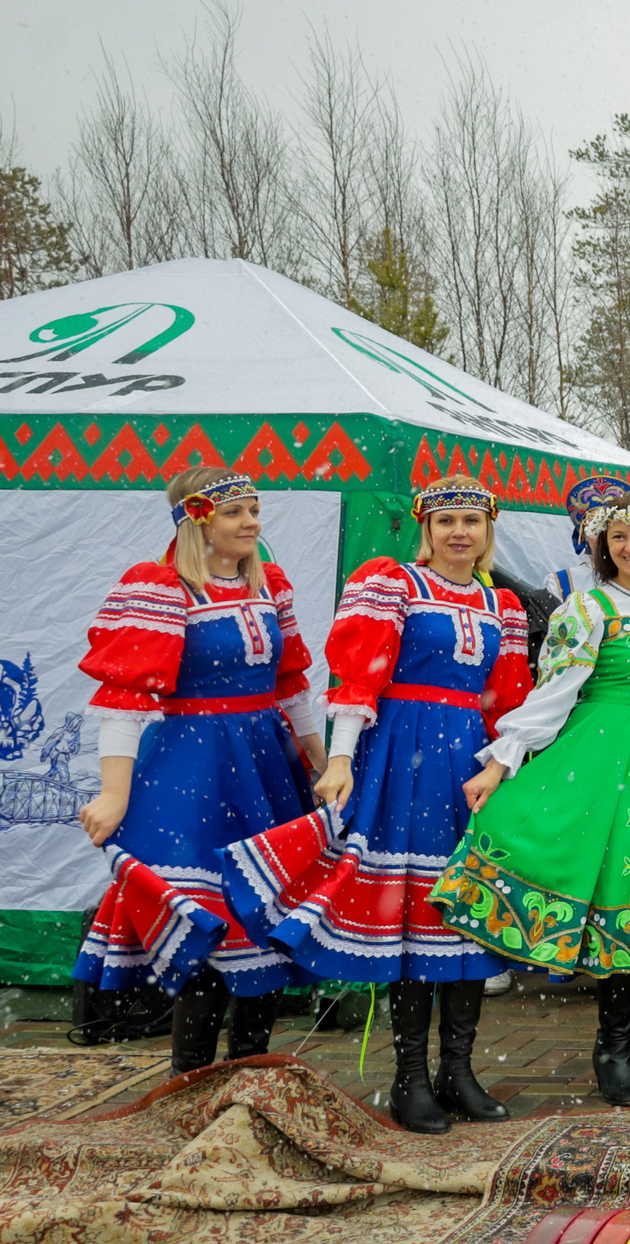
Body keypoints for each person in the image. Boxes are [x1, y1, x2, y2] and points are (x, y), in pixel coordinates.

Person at [221, 475, 532, 1131]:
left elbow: (508, 701)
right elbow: (359, 677)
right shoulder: (395, 584)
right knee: (412, 914)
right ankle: (410, 1076)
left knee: (465, 913)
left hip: (469, 767)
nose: (459, 533)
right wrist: (340, 758)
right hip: (401, 758)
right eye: (446, 520)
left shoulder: (501, 605)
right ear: (426, 528)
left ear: (487, 531)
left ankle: (459, 1070)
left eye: (471, 522)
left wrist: (504, 768)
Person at [429, 495, 630, 1109]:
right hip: (602, 765)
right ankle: (612, 1048)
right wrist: (503, 759)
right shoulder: (588, 609)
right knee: (620, 902)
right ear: (602, 545)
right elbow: (555, 694)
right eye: (619, 537)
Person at [74, 468, 326, 1073]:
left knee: (264, 914)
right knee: (203, 920)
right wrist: (114, 792)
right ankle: (190, 1079)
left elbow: (290, 684)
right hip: (192, 765)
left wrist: (322, 762)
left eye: (254, 510)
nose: (251, 523)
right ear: (197, 520)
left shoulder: (270, 586)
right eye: (235, 512)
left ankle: (250, 1074)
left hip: (267, 765)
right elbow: (125, 698)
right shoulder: (163, 588)